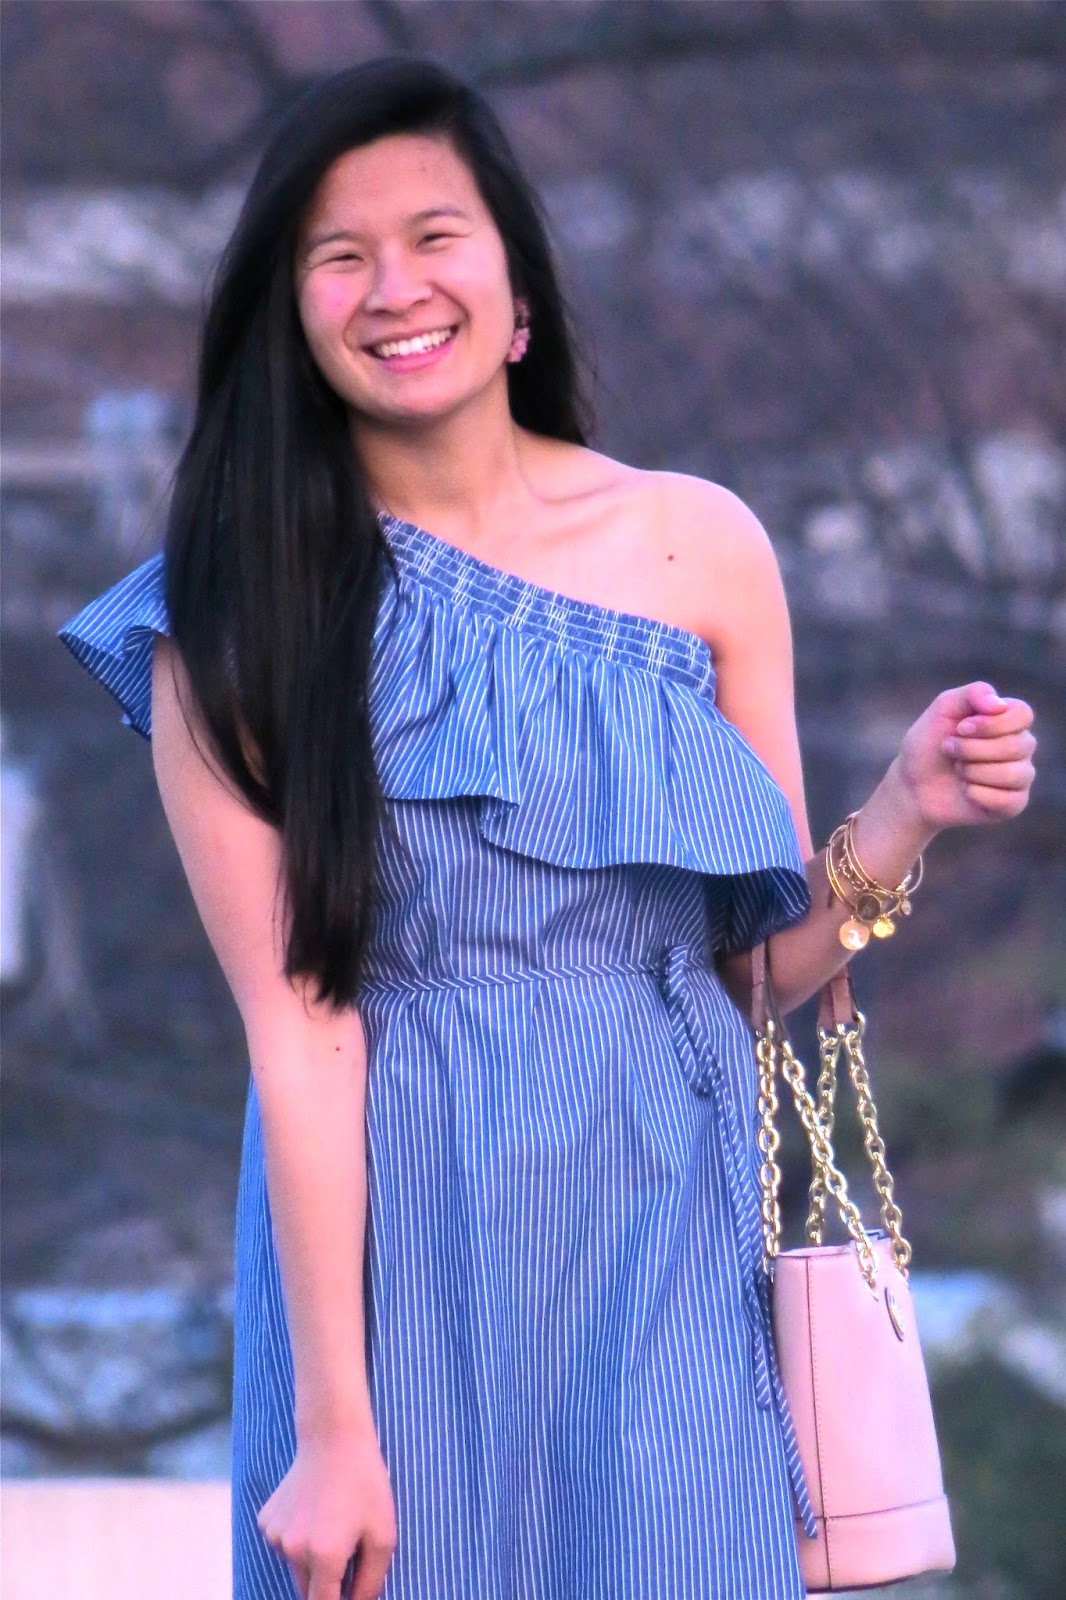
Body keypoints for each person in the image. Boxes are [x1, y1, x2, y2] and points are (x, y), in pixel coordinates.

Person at [59, 55, 1037, 1600]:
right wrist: (333, 1428)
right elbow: (299, 1025)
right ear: (293, 317)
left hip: (667, 1229)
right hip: (403, 1246)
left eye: (433, 235)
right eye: (339, 254)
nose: (395, 286)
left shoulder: (701, 546)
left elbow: (754, 974)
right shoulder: (231, 608)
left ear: (516, 291)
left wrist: (907, 810)